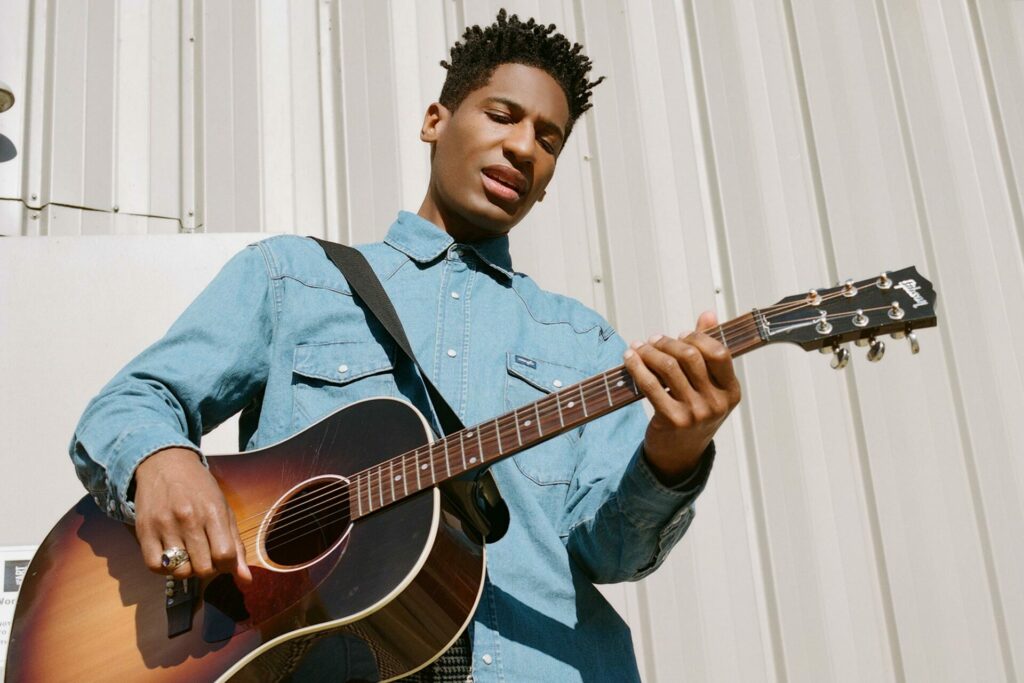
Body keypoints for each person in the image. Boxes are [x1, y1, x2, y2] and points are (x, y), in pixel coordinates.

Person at [70, 10, 740, 682]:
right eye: (501, 114)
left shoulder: (586, 343)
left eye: (548, 138)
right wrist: (160, 459)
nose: (523, 148)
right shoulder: (294, 279)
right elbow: (129, 402)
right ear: (434, 121)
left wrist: (675, 452)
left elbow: (613, 551)